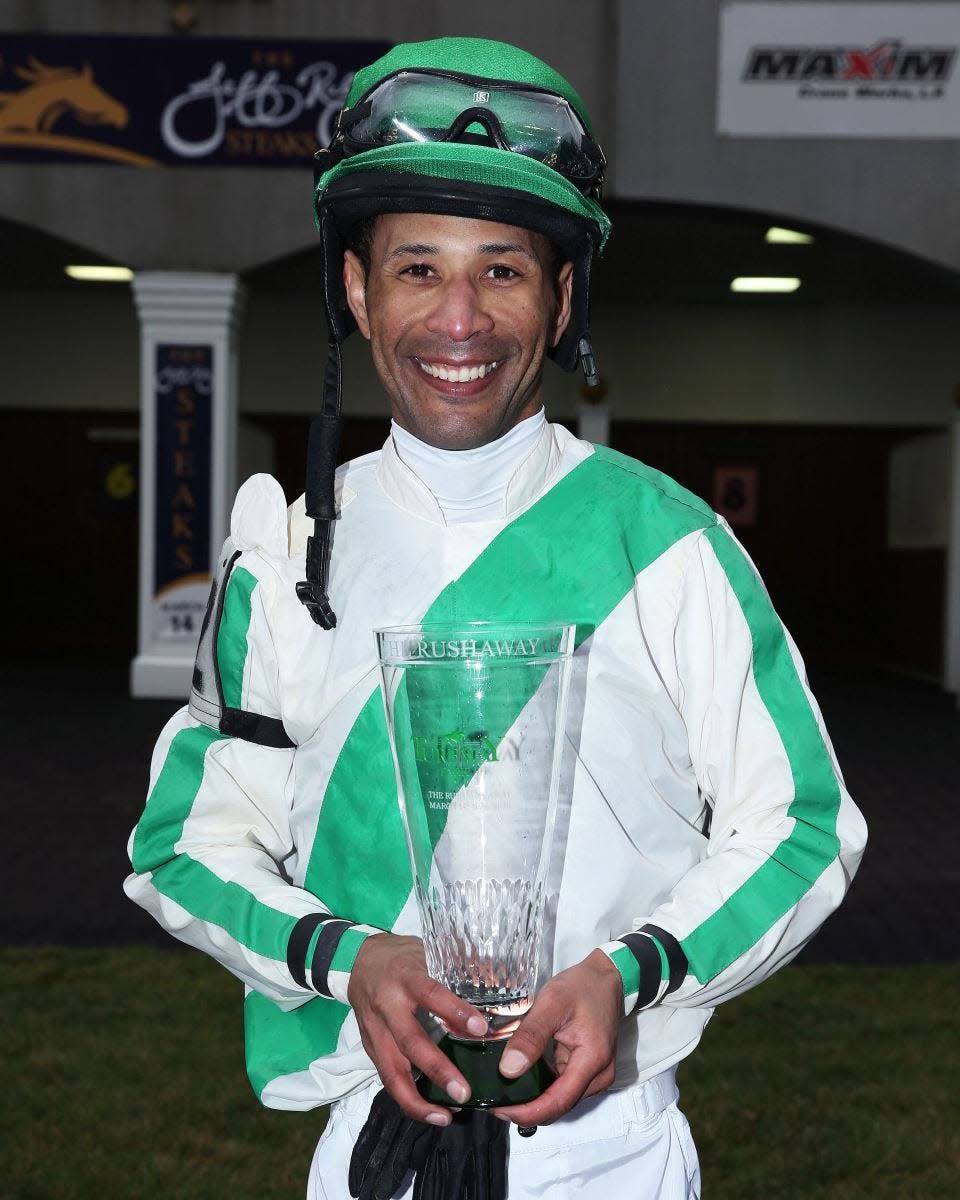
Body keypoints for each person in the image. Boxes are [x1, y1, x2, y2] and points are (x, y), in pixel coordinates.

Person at [125, 36, 867, 1200]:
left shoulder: (664, 541)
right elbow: (182, 849)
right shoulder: (283, 552)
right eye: (418, 269)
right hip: (372, 1145)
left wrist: (635, 972)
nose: (458, 318)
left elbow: (805, 828)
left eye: (504, 271)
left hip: (610, 1154)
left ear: (562, 297)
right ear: (358, 291)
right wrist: (346, 958)